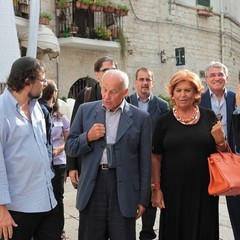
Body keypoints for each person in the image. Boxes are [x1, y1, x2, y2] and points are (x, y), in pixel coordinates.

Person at [65, 69, 152, 240]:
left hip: (124, 188)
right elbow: (70, 147)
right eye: (104, 89)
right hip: (93, 184)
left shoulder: (141, 118)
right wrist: (87, 137)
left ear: (125, 92)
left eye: (113, 91)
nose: (106, 96)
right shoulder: (85, 110)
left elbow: (145, 162)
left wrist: (143, 199)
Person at [151, 69, 226, 239]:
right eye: (178, 90)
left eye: (188, 90)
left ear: (196, 93)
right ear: (172, 93)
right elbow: (155, 157)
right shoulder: (164, 122)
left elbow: (222, 152)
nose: (183, 95)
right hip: (173, 191)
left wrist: (220, 140)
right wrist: (156, 188)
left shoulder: (209, 116)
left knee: (204, 231)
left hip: (205, 189)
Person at [0, 56, 61, 240]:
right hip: (18, 209)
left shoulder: (38, 108)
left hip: (48, 202)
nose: (45, 84)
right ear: (27, 81)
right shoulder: (1, 111)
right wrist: (2, 211)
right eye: (42, 80)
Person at [126, 67, 169, 240]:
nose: (145, 83)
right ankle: (127, 231)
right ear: (135, 82)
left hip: (151, 158)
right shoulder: (126, 101)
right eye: (141, 79)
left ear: (152, 82)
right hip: (129, 159)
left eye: (148, 79)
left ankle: (147, 233)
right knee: (128, 195)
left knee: (150, 195)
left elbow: (165, 134)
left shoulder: (161, 105)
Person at [200, 61, 240, 239]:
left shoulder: (235, 97)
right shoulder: (199, 100)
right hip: (206, 158)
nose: (217, 78)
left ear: (227, 78)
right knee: (206, 206)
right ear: (206, 79)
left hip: (232, 157)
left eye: (220, 75)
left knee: (237, 206)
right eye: (212, 75)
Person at [67, 56, 117, 188]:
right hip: (87, 164)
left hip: (114, 169)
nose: (110, 73)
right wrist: (72, 167)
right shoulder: (85, 96)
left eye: (113, 70)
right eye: (105, 70)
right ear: (97, 74)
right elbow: (73, 132)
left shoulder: (123, 99)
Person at [39, 80, 70, 240]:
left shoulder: (61, 118)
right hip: (43, 164)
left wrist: (59, 149)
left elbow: (68, 140)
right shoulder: (38, 114)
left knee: (58, 197)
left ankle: (60, 230)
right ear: (54, 93)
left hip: (58, 163)